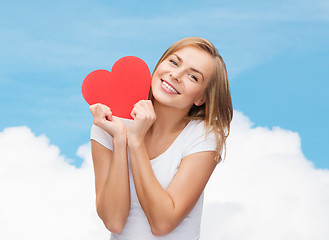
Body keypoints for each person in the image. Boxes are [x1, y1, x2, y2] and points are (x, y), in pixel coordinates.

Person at [89, 37, 233, 240]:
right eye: (173, 62)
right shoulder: (110, 123)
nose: (175, 75)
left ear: (201, 98)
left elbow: (162, 223)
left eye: (193, 77)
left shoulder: (203, 136)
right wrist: (120, 140)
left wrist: (136, 141)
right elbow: (114, 221)